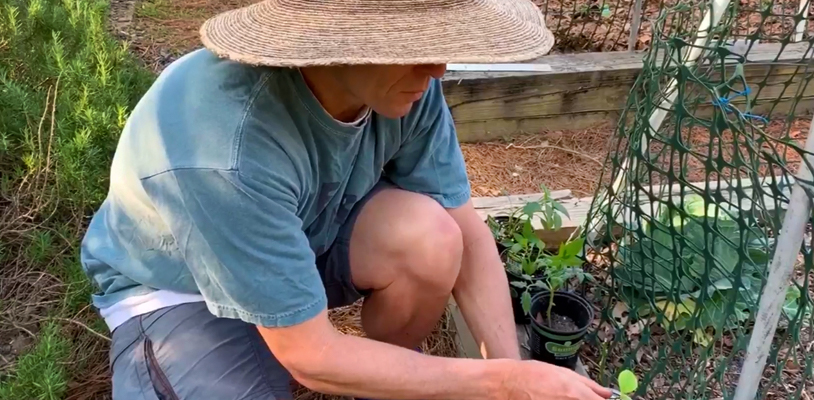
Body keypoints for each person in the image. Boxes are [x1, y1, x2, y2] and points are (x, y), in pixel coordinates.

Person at [79, 0, 614, 398]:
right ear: (333, 42)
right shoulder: (227, 144)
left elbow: (467, 233)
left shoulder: (404, 89)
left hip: (304, 235)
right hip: (178, 288)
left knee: (432, 238)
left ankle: (371, 376)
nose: (438, 70)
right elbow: (308, 354)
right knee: (294, 363)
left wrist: (510, 363)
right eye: (414, 47)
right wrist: (500, 383)